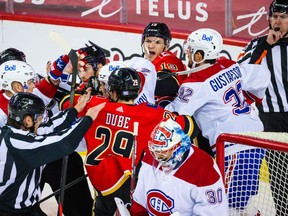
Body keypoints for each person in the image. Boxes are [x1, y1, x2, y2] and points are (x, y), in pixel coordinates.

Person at [165, 28, 271, 215]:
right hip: (254, 140)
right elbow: (262, 76)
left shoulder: (196, 83)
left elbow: (173, 114)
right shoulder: (228, 64)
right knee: (241, 205)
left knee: (226, 208)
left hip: (234, 148)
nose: (187, 55)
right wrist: (249, 99)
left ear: (199, 55)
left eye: (190, 51)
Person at [68, 67, 199, 216]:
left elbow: (66, 103)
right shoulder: (151, 113)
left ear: (115, 92)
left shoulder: (96, 105)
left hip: (100, 183)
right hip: (130, 185)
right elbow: (190, 126)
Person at [0, 91, 105, 216]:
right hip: (10, 211)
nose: (41, 121)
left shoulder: (11, 132)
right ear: (27, 120)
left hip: (23, 207)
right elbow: (63, 143)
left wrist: (75, 109)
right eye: (39, 118)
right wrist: (88, 119)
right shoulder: (20, 144)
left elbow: (50, 127)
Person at [237, 0, 288, 214]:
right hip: (271, 119)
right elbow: (241, 71)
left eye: (283, 17)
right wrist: (265, 45)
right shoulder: (257, 44)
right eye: (275, 16)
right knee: (279, 175)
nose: (278, 20)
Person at [129, 118, 228, 215]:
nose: (157, 156)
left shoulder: (204, 167)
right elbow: (140, 204)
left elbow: (213, 212)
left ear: (177, 148)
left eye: (163, 151)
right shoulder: (150, 158)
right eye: (155, 150)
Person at [141, 22, 187, 107]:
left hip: (170, 115)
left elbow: (167, 85)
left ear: (166, 46)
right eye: (148, 41)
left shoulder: (169, 59)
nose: (151, 46)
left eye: (157, 42)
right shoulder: (142, 62)